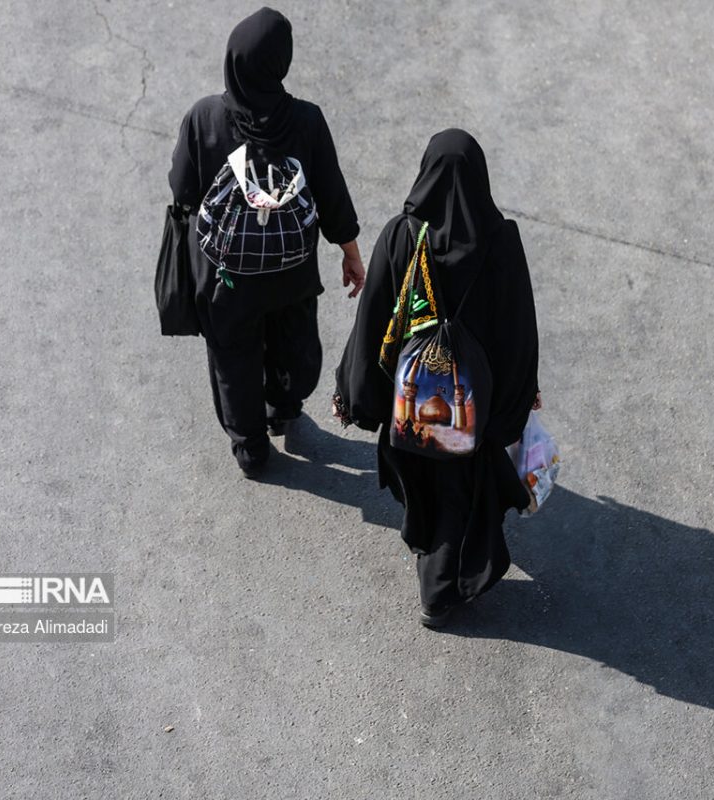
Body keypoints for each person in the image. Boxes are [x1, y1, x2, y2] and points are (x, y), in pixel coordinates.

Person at [334, 129, 540, 628]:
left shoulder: (403, 235)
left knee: (424, 484)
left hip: (412, 406)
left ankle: (434, 577)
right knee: (458, 493)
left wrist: (356, 393)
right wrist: (516, 401)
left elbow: (374, 322)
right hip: (472, 410)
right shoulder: (501, 243)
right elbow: (518, 330)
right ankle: (442, 585)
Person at [168, 8, 364, 477]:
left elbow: (182, 190)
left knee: (233, 358)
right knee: (292, 342)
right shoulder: (306, 121)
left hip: (227, 280)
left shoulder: (204, 118)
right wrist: (351, 254)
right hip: (290, 274)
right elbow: (332, 193)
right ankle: (283, 404)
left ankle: (250, 447)